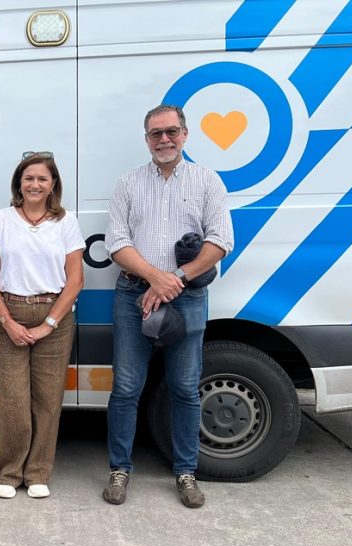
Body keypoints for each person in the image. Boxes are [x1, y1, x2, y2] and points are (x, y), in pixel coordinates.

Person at [102, 105, 233, 509]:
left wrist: (173, 278)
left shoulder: (207, 181)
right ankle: (119, 469)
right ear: (146, 139)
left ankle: (186, 472)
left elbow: (220, 241)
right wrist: (155, 278)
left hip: (187, 296)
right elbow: (116, 243)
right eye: (155, 133)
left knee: (185, 388)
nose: (164, 139)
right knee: (126, 388)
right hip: (133, 295)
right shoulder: (128, 183)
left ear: (185, 134)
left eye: (171, 131)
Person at [0, 153, 85, 499]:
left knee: (48, 399)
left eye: (42, 178)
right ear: (19, 183)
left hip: (54, 315)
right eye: (28, 178)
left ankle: (38, 472)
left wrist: (49, 324)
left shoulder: (66, 222)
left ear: (53, 184)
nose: (35, 184)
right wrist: (7, 321)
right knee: (12, 399)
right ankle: (9, 472)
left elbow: (75, 280)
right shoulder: (1, 219)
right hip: (9, 312)